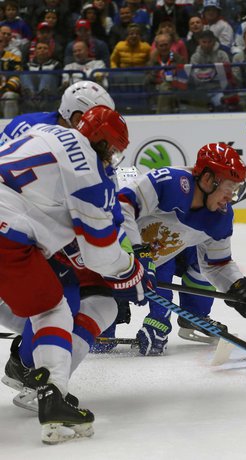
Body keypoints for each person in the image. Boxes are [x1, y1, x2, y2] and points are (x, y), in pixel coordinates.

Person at [0, 105, 154, 444]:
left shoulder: (43, 133)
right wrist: (130, 274)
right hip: (6, 232)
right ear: (102, 142)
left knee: (45, 299)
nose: (112, 158)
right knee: (52, 308)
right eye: (112, 149)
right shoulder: (88, 173)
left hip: (11, 225)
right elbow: (99, 252)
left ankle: (52, 389)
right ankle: (54, 395)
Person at [116, 142, 246, 356]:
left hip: (157, 260)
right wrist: (138, 252)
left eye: (236, 189)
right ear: (208, 180)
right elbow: (121, 206)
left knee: (197, 261)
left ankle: (194, 316)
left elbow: (217, 265)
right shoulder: (168, 183)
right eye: (229, 188)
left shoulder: (221, 217)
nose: (230, 198)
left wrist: (241, 289)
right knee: (100, 342)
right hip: (112, 261)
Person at [188, 29, 238, 112]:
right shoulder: (195, 57)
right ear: (199, 42)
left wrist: (205, 74)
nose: (207, 45)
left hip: (218, 90)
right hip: (200, 91)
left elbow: (226, 76)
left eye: (209, 42)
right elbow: (195, 77)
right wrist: (214, 72)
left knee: (222, 104)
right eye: (204, 42)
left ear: (214, 41)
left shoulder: (222, 55)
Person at [145, 31, 187, 114]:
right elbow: (146, 81)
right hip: (155, 91)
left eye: (166, 45)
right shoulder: (151, 62)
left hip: (175, 91)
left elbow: (183, 79)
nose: (164, 48)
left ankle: (159, 115)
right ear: (156, 46)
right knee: (163, 88)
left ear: (170, 45)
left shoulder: (179, 59)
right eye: (161, 45)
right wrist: (155, 77)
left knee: (165, 87)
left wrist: (172, 79)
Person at [20, 40, 61, 111]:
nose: (42, 50)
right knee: (24, 74)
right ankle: (31, 94)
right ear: (35, 52)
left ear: (49, 52)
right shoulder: (27, 65)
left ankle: (42, 96)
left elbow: (59, 81)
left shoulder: (56, 64)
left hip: (50, 95)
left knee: (47, 73)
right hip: (31, 97)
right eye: (39, 48)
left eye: (45, 48)